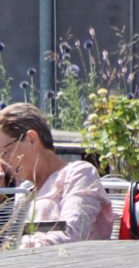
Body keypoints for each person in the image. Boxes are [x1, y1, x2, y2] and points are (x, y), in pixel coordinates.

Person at [1, 103, 113, 247]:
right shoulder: (25, 189)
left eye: (6, 152)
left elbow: (72, 234)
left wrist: (20, 248)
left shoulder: (78, 174)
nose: (5, 162)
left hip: (74, 266)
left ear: (31, 140)